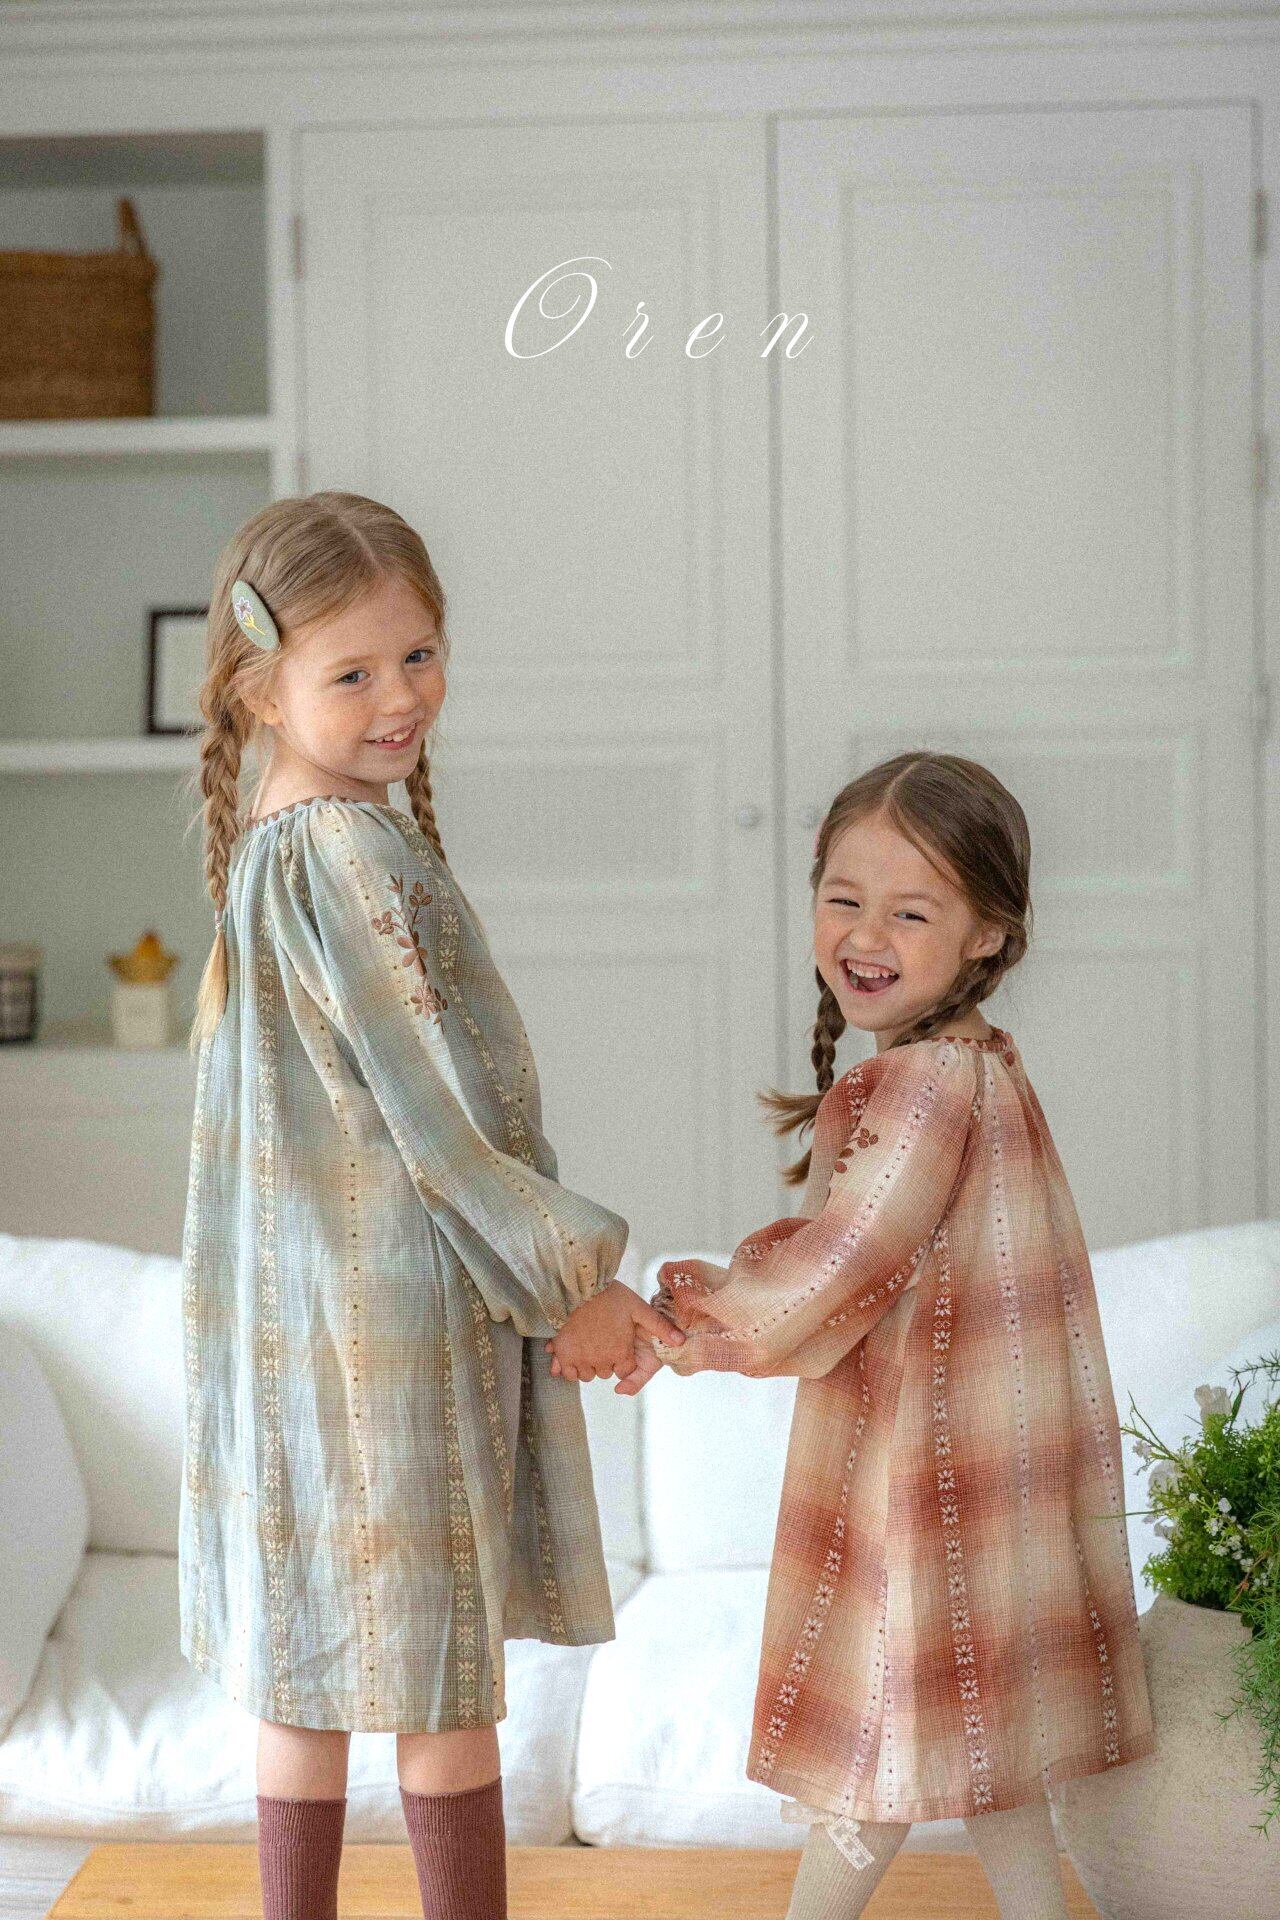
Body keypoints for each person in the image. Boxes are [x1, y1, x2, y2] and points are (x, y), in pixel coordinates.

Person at [179, 491, 680, 1920]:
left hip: (297, 1338)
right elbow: (439, 1118)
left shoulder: (281, 838)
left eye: (419, 655)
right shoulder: (346, 853)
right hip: (393, 1329)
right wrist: (574, 1279)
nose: (400, 698)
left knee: (307, 1673)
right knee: (441, 1681)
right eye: (353, 673)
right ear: (259, 689)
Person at [552, 750, 1156, 1919]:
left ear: (987, 934)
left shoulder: (921, 1087)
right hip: (986, 1487)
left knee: (872, 1757)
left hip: (928, 1491)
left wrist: (679, 1327)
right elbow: (879, 1255)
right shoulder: (978, 1066)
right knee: (988, 1756)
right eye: (842, 899)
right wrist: (718, 1295)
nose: (864, 935)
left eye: (909, 912)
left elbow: (842, 1269)